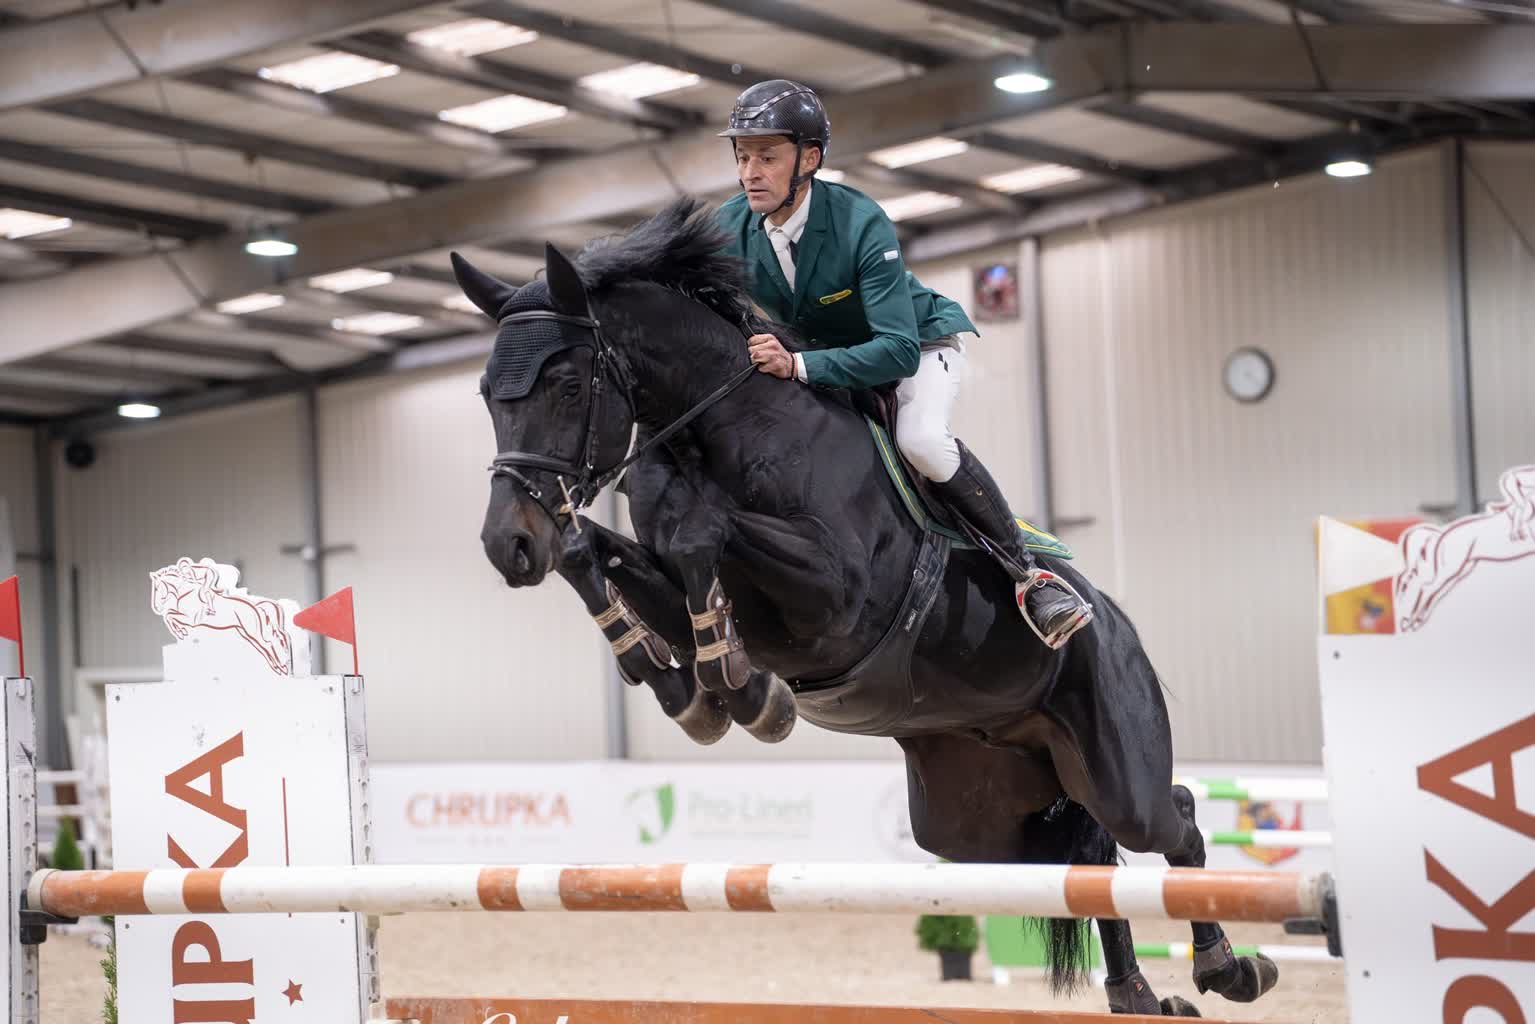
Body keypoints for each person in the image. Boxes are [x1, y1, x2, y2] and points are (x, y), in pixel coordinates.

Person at [712, 79, 1092, 649]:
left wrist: (797, 368)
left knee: (920, 441)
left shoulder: (858, 220)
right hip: (821, 359)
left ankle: (1027, 575)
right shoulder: (730, 226)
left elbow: (896, 350)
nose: (750, 173)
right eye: (743, 157)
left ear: (809, 158)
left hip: (917, 348)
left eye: (767, 157)